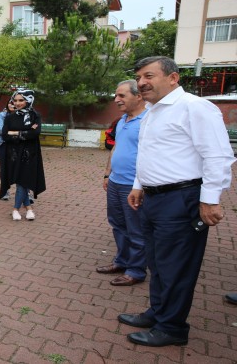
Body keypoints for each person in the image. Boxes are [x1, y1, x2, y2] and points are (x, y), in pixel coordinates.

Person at [120, 56, 235, 347]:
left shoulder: (195, 108)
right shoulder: (153, 111)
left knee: (176, 267)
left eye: (149, 76)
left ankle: (172, 328)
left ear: (173, 78)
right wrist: (138, 186)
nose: (142, 83)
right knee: (157, 263)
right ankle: (158, 312)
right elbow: (149, 154)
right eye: (139, 78)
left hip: (181, 199)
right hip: (154, 198)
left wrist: (210, 200)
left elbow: (217, 155)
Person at [96, 80, 148, 286]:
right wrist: (108, 174)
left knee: (136, 228)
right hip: (116, 182)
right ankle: (122, 261)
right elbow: (116, 148)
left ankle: (136, 270)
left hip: (134, 186)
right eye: (116, 95)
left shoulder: (148, 120)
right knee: (117, 224)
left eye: (121, 96)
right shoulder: (123, 120)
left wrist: (140, 185)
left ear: (139, 96)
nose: (116, 100)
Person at [1, 89, 46, 221]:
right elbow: (4, 135)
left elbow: (35, 133)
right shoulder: (10, 117)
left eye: (21, 100)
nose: (17, 103)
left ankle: (15, 209)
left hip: (29, 153)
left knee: (22, 180)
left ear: (28, 100)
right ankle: (28, 208)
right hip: (13, 153)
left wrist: (14, 133)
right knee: (21, 180)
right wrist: (24, 132)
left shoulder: (35, 116)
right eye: (15, 100)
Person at [0, 99, 16, 200]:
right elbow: (2, 130)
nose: (13, 104)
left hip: (18, 144)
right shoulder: (1, 115)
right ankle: (4, 191)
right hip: (4, 144)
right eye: (11, 102)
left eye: (16, 102)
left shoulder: (23, 115)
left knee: (21, 169)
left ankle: (26, 193)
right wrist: (18, 132)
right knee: (4, 168)